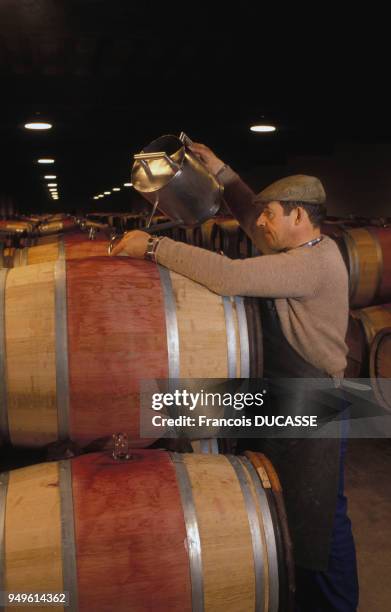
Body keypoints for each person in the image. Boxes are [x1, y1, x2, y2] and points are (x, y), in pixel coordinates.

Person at [111, 143, 359, 611]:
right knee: (288, 507)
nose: (259, 224)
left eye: (272, 215)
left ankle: (338, 606)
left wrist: (154, 246)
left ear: (299, 216)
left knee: (321, 521)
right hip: (287, 397)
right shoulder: (304, 244)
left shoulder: (312, 263)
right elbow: (247, 212)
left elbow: (226, 277)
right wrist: (219, 170)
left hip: (314, 405)